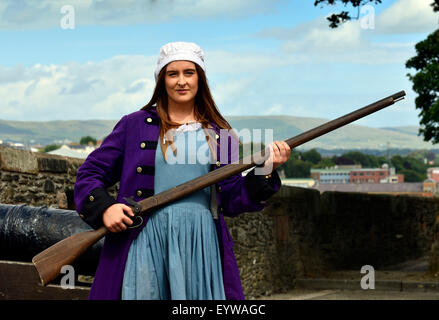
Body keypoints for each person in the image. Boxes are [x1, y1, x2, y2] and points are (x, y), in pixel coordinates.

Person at [74, 41, 291, 300]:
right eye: (172, 73)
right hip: (145, 240)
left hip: (200, 244)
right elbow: (90, 172)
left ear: (200, 78)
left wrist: (266, 168)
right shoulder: (134, 125)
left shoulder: (221, 134)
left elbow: (232, 199)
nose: (181, 81)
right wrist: (105, 208)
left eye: (189, 72)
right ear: (161, 80)